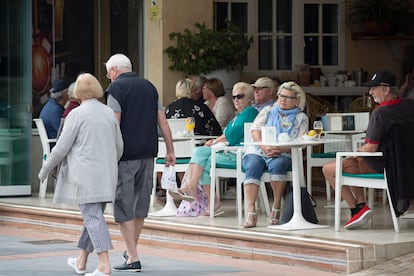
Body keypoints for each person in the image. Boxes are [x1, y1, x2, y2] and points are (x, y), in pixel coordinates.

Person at [38, 73, 124, 276]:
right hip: (106, 175)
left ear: (77, 91)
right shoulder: (108, 112)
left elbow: (60, 148)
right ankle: (82, 260)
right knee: (93, 217)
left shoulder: (75, 114)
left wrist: (45, 169)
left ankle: (104, 264)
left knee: (92, 218)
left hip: (85, 177)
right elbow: (119, 146)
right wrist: (109, 164)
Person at [105, 53, 175, 272]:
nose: (109, 77)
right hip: (148, 153)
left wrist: (108, 155)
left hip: (124, 156)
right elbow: (162, 122)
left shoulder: (115, 89)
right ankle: (131, 250)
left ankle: (133, 256)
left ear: (115, 70)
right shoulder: (150, 87)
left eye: (108, 73)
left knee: (123, 205)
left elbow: (113, 126)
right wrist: (170, 150)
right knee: (140, 203)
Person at [322, 70, 414, 230]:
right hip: (405, 164)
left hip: (385, 166)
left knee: (329, 169)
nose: (370, 92)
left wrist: (358, 150)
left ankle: (356, 209)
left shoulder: (381, 113)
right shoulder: (409, 105)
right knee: (352, 162)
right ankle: (360, 206)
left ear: (386, 90)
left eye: (374, 88)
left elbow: (370, 148)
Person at [169, 82, 258, 216]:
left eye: (239, 96)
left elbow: (231, 134)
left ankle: (193, 189)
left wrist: (215, 141)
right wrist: (215, 140)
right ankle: (209, 199)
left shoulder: (249, 112)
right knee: (203, 160)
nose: (236, 100)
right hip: (230, 151)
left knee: (200, 153)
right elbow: (217, 128)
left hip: (240, 154)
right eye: (233, 97)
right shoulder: (240, 114)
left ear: (249, 97)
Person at [242, 81, 308, 228]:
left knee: (278, 164)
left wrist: (281, 149)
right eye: (281, 96)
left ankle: (276, 206)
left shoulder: (301, 118)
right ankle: (251, 210)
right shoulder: (268, 111)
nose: (283, 100)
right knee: (252, 164)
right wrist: (264, 146)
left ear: (297, 100)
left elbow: (301, 140)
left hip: (284, 152)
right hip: (260, 149)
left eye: (288, 97)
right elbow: (255, 129)